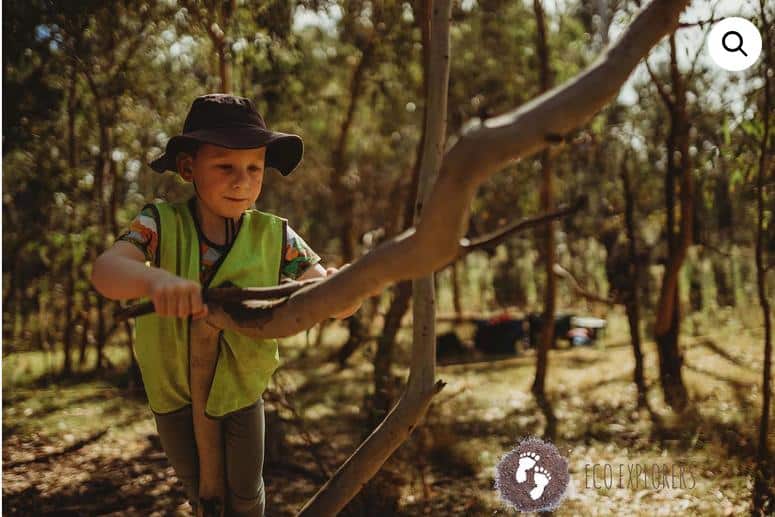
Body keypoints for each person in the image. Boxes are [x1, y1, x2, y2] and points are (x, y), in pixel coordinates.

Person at [90, 94, 361, 516]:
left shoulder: (277, 236)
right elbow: (106, 271)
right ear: (187, 168)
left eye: (254, 168)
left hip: (241, 388)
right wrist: (155, 279)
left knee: (247, 493)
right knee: (200, 493)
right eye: (225, 166)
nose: (242, 180)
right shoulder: (159, 223)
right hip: (172, 390)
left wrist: (343, 291)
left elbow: (323, 294)